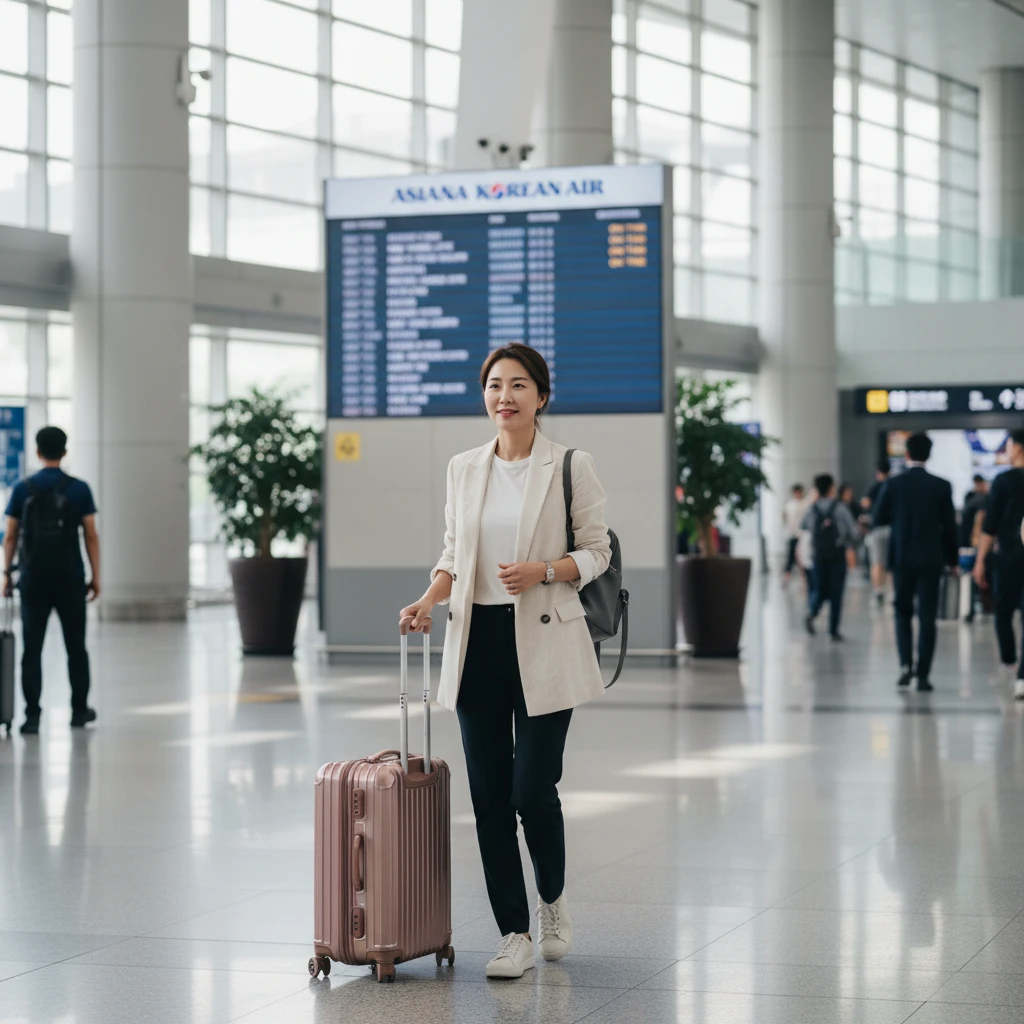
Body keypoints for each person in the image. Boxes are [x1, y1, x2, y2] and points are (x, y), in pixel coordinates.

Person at [399, 343, 611, 981]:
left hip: (545, 637)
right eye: (495, 385)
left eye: (519, 385)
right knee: (490, 797)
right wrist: (429, 599)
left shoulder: (571, 465)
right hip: (478, 643)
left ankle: (550, 899)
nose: (505, 397)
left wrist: (543, 571)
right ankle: (511, 931)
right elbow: (453, 552)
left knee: (531, 791)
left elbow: (597, 552)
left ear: (541, 397)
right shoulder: (464, 467)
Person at [2, 426, 100, 735]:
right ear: (65, 451)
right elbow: (91, 536)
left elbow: (11, 536)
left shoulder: (22, 489)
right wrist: (95, 576)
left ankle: (31, 716)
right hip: (70, 578)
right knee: (76, 648)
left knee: (32, 648)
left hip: (33, 580)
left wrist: (6, 573)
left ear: (38, 451)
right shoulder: (79, 489)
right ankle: (79, 711)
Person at [872, 433, 958, 693]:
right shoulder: (941, 486)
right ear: (929, 455)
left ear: (906, 454)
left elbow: (877, 516)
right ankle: (923, 675)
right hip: (932, 558)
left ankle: (905, 666)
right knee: (928, 615)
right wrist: (952, 559)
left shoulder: (894, 484)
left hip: (902, 557)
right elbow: (950, 527)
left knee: (902, 611)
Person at [973, 429, 1024, 699]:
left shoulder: (1003, 482)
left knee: (1003, 610)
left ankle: (1009, 661)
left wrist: (980, 560)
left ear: (1016, 448)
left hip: (1008, 557)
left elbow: (989, 526)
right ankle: (1022, 675)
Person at [801, 474, 860, 641]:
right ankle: (833, 630)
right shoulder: (840, 508)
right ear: (831, 488)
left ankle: (812, 612)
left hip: (818, 555)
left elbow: (803, 526)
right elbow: (853, 533)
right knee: (836, 592)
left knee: (819, 589)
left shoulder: (812, 509)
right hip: (837, 555)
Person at [961, 474, 990, 623]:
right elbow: (981, 522)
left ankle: (971, 609)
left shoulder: (971, 499)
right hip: (980, 544)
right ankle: (984, 606)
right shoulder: (984, 500)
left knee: (972, 577)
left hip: (971, 544)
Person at [863, 458, 892, 605]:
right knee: (891, 562)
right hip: (893, 528)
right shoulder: (893, 485)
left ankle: (878, 590)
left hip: (877, 529)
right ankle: (892, 591)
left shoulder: (874, 487)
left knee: (877, 561)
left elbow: (865, 503)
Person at [782, 483, 806, 583]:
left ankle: (804, 575)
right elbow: (785, 517)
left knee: (803, 555)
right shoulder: (790, 505)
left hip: (802, 534)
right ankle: (787, 574)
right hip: (793, 533)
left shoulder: (804, 504)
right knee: (791, 555)